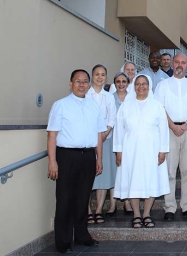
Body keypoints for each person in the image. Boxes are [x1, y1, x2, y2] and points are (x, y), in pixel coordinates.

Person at [47, 69, 106, 254]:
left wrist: (99, 158)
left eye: (85, 81)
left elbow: (98, 135)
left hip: (88, 156)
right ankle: (63, 241)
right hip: (66, 157)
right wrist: (52, 161)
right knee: (64, 200)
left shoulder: (93, 106)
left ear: (89, 84)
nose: (82, 84)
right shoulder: (60, 105)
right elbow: (52, 135)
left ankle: (82, 236)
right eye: (78, 81)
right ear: (70, 83)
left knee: (82, 199)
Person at [113, 74, 169, 228]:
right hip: (130, 149)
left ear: (149, 86)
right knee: (133, 180)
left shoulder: (157, 105)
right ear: (134, 86)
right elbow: (119, 129)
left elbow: (163, 129)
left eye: (144, 84)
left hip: (151, 149)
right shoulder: (126, 105)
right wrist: (118, 151)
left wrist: (162, 150)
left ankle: (147, 214)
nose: (141, 87)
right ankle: (137, 214)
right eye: (138, 84)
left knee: (151, 179)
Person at [154, 53, 187, 221]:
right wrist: (173, 126)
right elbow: (159, 109)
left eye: (184, 62)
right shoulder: (162, 85)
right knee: (169, 171)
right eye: (177, 62)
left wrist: (186, 125)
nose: (180, 65)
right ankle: (170, 208)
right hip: (169, 129)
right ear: (173, 64)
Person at [87, 65, 118, 224]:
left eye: (103, 74)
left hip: (106, 139)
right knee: (86, 177)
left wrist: (106, 133)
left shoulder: (109, 96)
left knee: (103, 176)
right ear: (92, 76)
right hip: (87, 142)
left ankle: (99, 209)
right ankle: (88, 210)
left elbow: (112, 117)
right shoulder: (85, 95)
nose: (100, 77)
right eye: (97, 74)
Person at [111, 72, 135, 214]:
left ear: (128, 83)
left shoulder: (133, 98)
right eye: (118, 81)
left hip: (129, 139)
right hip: (112, 138)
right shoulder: (109, 97)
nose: (121, 84)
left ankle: (127, 202)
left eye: (123, 81)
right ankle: (113, 204)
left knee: (127, 170)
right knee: (115, 171)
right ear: (114, 83)